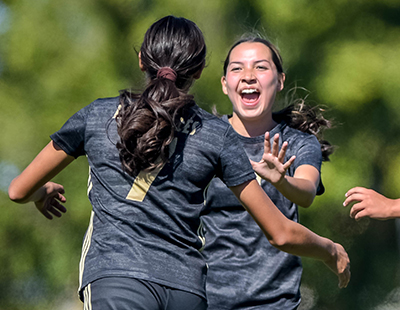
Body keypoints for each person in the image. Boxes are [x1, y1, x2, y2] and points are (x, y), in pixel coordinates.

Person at [8, 16, 350, 310]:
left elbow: (18, 189)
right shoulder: (216, 135)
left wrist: (42, 193)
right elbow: (280, 232)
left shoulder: (98, 116)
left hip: (117, 278)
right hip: (188, 291)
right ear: (201, 71)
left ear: (142, 60)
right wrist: (329, 249)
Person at [202, 35, 336, 310]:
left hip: (275, 303)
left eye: (260, 67)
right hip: (204, 300)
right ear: (225, 84)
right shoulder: (203, 139)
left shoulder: (298, 142)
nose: (248, 76)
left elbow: (307, 191)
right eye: (237, 68)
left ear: (280, 80)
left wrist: (282, 180)